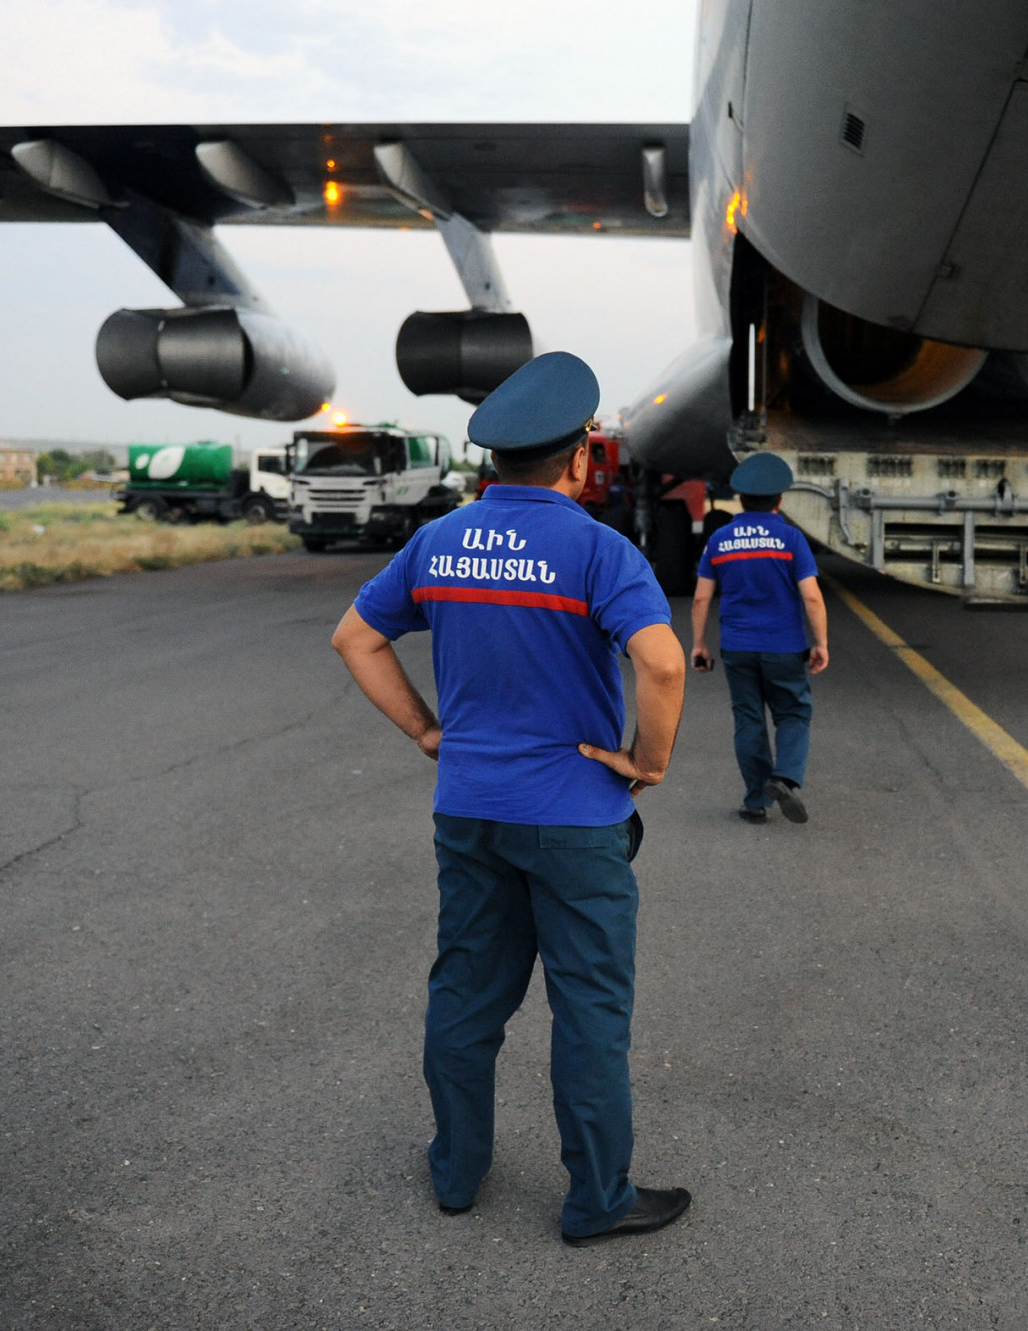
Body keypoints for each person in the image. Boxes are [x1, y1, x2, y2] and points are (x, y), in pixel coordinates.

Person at [330, 351, 692, 1247]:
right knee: (589, 1007)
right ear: (576, 461)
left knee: (466, 995)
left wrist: (426, 730)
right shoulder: (599, 549)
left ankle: (456, 1170)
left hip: (471, 808)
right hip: (575, 816)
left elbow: (355, 638)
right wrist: (647, 761)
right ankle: (598, 1197)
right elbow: (661, 660)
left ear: (493, 461)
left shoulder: (438, 542)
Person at [690, 453, 829, 825]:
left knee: (748, 719)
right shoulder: (791, 538)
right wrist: (821, 643)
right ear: (780, 500)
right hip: (784, 646)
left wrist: (699, 645)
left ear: (740, 498)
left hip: (737, 646)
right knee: (793, 713)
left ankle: (755, 802)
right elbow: (812, 596)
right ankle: (784, 777)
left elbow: (703, 596)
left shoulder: (719, 539)